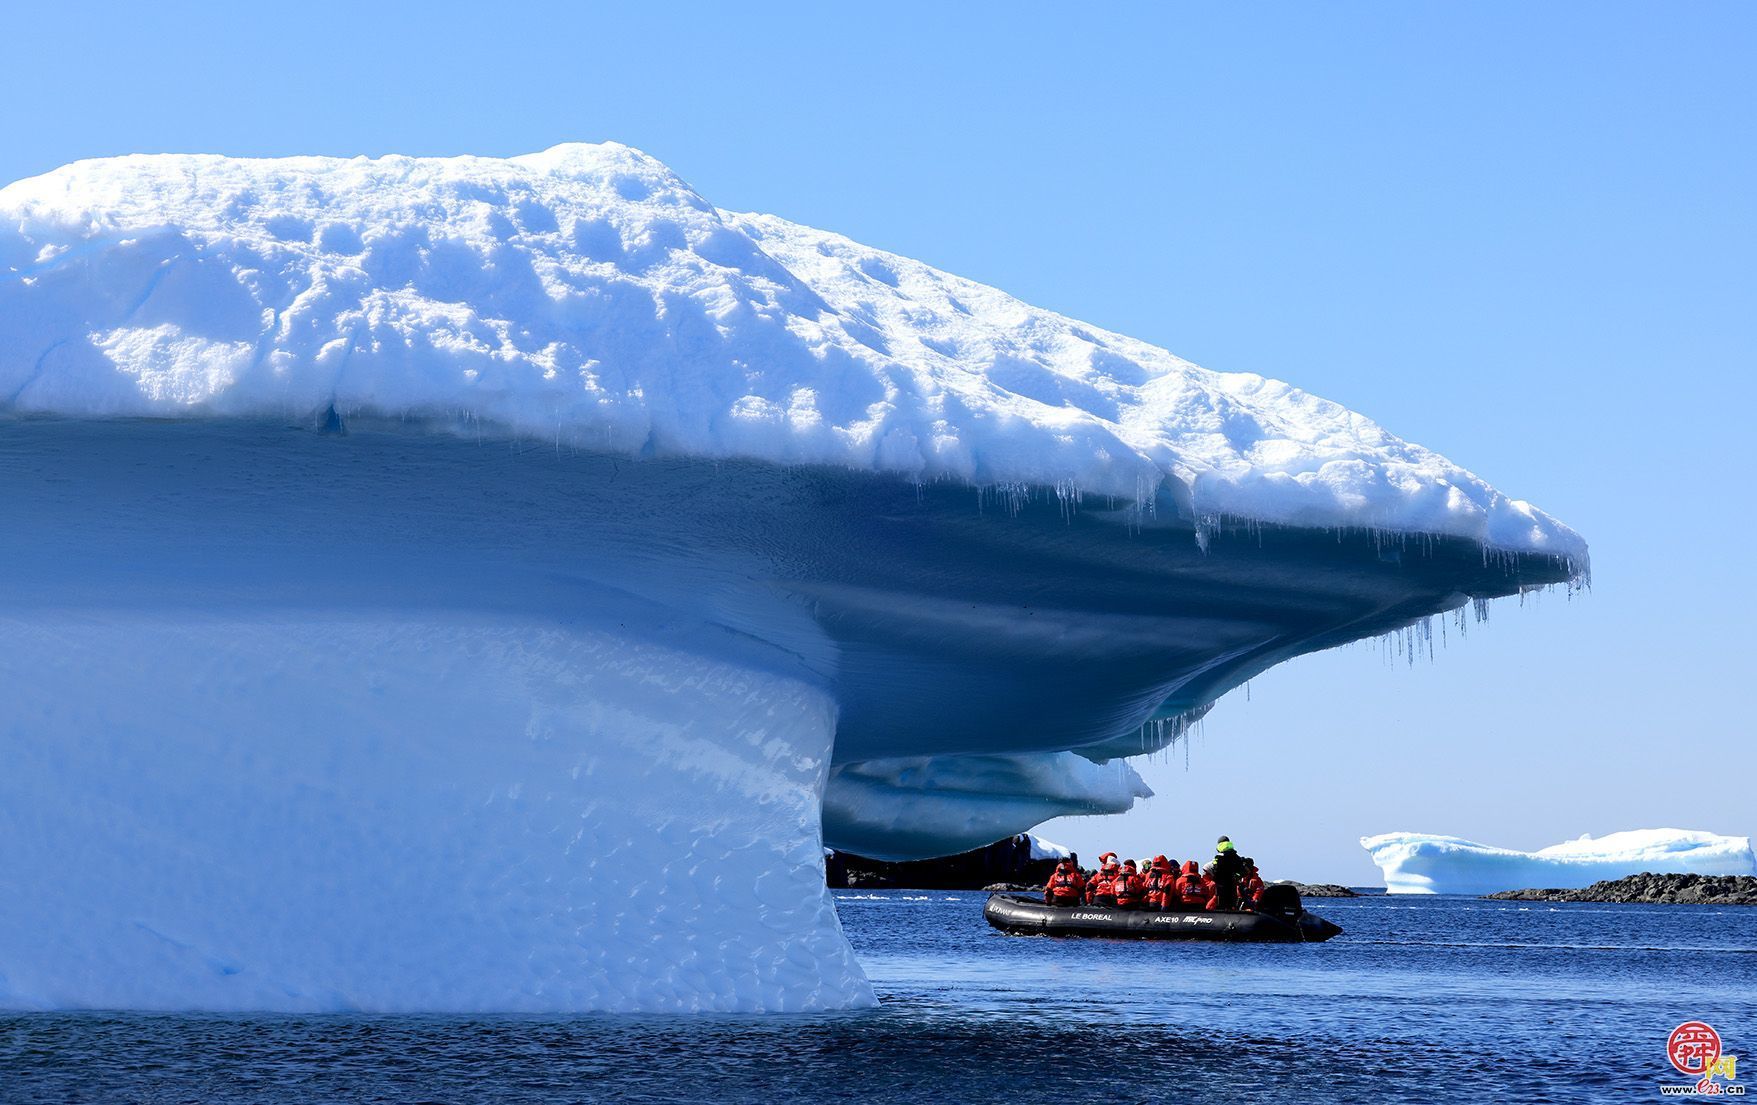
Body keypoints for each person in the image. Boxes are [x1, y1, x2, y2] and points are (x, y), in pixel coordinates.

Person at [1205, 835, 1247, 911]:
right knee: (1231, 903)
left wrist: (1215, 878)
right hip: (1232, 883)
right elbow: (1243, 871)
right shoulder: (1236, 857)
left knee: (1221, 903)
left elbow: (1215, 869)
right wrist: (1236, 876)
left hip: (1221, 884)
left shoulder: (1219, 857)